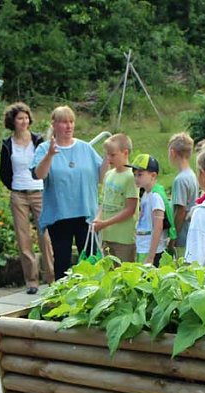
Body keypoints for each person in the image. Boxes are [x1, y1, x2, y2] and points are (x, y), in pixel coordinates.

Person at [31, 106, 107, 280]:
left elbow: (101, 177)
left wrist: (107, 160)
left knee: (90, 261)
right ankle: (61, 299)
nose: (68, 126)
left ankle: (91, 297)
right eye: (64, 122)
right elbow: (38, 175)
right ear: (54, 124)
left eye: (71, 122)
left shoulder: (85, 148)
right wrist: (50, 155)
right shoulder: (44, 148)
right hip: (60, 215)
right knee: (62, 262)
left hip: (85, 214)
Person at [0, 102, 53, 294]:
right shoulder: (7, 144)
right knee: (23, 238)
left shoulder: (38, 141)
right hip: (19, 193)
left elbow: (47, 164)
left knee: (44, 235)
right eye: (19, 118)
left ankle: (52, 277)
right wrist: (13, 187)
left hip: (38, 191)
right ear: (12, 121)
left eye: (26, 118)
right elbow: (3, 172)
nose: (23, 121)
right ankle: (31, 281)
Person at [92, 133, 137, 263]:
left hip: (124, 238)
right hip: (107, 236)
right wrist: (98, 218)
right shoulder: (108, 175)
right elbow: (104, 202)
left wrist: (105, 223)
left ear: (125, 153)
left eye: (113, 155)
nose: (109, 158)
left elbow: (130, 209)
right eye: (107, 155)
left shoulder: (131, 177)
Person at [128, 154, 168, 266]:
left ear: (153, 175)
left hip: (152, 251)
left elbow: (158, 226)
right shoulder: (146, 194)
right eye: (134, 174)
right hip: (143, 247)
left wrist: (151, 257)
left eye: (140, 174)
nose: (136, 178)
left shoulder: (155, 196)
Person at [168, 132, 199, 258]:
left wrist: (172, 238)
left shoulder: (180, 180)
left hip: (182, 236)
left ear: (173, 152)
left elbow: (180, 210)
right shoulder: (191, 175)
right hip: (189, 233)